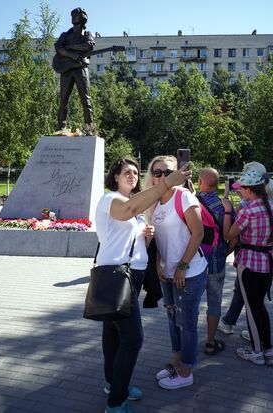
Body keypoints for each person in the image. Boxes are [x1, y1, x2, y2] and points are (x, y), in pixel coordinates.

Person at [95, 158, 192, 413]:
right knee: (133, 339)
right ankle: (116, 402)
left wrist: (145, 239)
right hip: (116, 276)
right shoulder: (111, 199)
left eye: (136, 172)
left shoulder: (135, 207)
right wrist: (166, 184)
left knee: (113, 334)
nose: (132, 175)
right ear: (115, 176)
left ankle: (112, 384)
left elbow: (131, 242)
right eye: (126, 172)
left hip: (130, 276)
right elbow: (125, 211)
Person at [144, 155, 208, 390]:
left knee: (187, 322)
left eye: (167, 171)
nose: (161, 176)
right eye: (156, 172)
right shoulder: (155, 202)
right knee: (173, 319)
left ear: (177, 174)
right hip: (168, 273)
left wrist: (181, 266)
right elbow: (161, 239)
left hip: (189, 272)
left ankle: (186, 371)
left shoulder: (184, 196)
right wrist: (160, 264)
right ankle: (175, 362)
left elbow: (198, 234)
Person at [227, 163, 273, 367]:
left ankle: (257, 352)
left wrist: (227, 213)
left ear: (249, 190)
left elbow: (229, 235)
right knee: (260, 306)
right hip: (267, 262)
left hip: (249, 263)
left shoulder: (247, 211)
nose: (240, 190)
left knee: (251, 309)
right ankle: (269, 351)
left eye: (242, 188)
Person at [196, 168, 235, 355]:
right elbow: (234, 237)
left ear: (199, 181)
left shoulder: (190, 203)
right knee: (214, 303)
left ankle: (187, 340)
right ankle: (210, 342)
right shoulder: (224, 206)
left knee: (190, 304)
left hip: (193, 265)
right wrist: (223, 254)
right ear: (218, 185)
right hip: (216, 264)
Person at [53, 8, 95, 135]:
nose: (73, 17)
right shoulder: (65, 35)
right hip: (66, 69)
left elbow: (88, 46)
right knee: (63, 99)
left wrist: (70, 47)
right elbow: (58, 48)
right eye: (72, 15)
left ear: (82, 18)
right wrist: (72, 55)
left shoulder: (87, 34)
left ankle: (90, 129)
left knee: (85, 99)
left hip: (81, 68)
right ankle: (61, 127)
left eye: (76, 15)